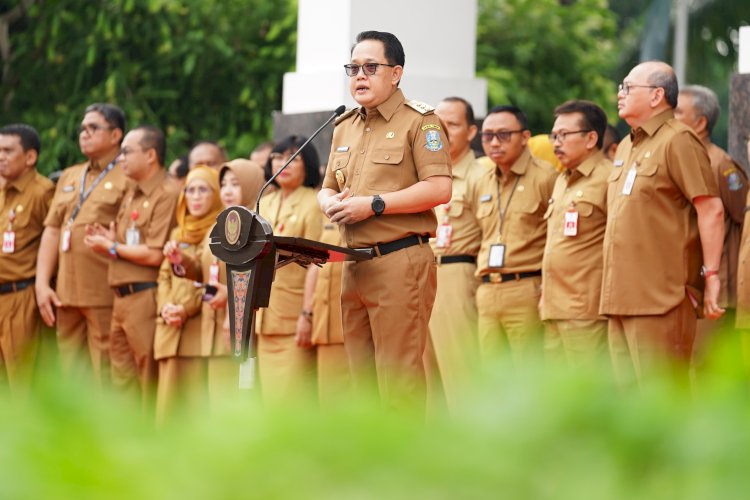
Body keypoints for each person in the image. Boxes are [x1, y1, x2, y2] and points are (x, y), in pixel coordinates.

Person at [317, 30, 452, 412]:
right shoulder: (344, 126)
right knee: (361, 381)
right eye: (353, 68)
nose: (359, 75)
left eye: (370, 67)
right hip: (354, 263)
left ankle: (405, 468)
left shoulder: (420, 123)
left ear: (395, 73)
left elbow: (440, 188)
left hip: (400, 261)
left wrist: (374, 205)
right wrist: (328, 203)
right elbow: (326, 187)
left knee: (398, 380)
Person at [600, 61, 724, 385]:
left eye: (628, 88)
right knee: (629, 409)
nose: (620, 94)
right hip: (619, 297)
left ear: (657, 95)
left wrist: (711, 276)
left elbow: (711, 209)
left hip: (661, 299)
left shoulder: (679, 139)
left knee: (662, 401)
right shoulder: (627, 144)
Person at [84, 125, 179, 408]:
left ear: (151, 155)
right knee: (122, 382)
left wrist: (111, 248)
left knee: (147, 378)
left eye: (126, 151)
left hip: (146, 296)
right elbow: (131, 244)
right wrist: (111, 240)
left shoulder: (167, 193)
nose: (120, 158)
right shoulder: (132, 194)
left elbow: (154, 254)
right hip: (120, 299)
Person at [36, 103, 129, 386]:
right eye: (82, 129)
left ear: (115, 135)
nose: (84, 134)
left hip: (103, 291)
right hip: (65, 293)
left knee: (104, 373)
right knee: (70, 374)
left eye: (93, 128)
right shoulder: (70, 174)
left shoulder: (127, 175)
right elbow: (52, 231)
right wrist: (42, 284)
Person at [164, 159, 265, 410]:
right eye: (223, 184)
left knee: (238, 406)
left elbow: (263, 277)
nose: (227, 190)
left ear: (252, 187)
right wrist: (181, 261)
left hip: (241, 329)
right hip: (214, 330)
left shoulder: (259, 229)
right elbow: (201, 271)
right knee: (215, 407)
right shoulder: (218, 227)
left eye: (235, 184)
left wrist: (232, 299)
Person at [469, 105, 557, 366]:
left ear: (525, 136)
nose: (494, 142)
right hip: (487, 289)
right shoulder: (482, 180)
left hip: (526, 288)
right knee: (491, 376)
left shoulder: (546, 177)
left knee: (528, 374)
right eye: (487, 136)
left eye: (504, 134)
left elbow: (555, 236)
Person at [540, 100, 611, 367]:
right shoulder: (562, 179)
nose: (556, 143)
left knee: (588, 395)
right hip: (553, 308)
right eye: (554, 136)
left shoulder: (609, 178)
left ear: (591, 138)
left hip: (587, 310)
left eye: (564, 135)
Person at [255, 135, 322, 407]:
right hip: (264, 317)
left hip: (295, 315)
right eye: (278, 157)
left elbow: (319, 264)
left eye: (293, 158)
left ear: (308, 165)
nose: (284, 163)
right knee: (269, 401)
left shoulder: (315, 203)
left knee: (292, 401)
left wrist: (308, 314)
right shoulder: (264, 202)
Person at [675, 85, 747, 337]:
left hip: (716, 287)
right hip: (684, 283)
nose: (669, 119)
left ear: (700, 122)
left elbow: (742, 217)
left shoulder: (720, 165)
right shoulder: (678, 158)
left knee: (703, 366)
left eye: (677, 112)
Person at [427, 96, 484, 412]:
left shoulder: (481, 175)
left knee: (459, 373)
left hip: (456, 275)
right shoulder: (424, 177)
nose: (443, 131)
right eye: (438, 124)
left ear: (471, 132)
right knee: (421, 379)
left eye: (453, 124)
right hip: (420, 276)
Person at [154, 166, 222, 423]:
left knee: (194, 412)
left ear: (215, 194)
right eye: (190, 190)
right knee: (167, 411)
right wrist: (165, 307)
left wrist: (186, 309)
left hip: (196, 329)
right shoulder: (177, 233)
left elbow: (208, 277)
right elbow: (163, 276)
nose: (195, 196)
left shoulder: (220, 231)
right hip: (169, 328)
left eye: (203, 190)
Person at [0, 124, 54, 394]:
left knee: (23, 383)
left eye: (8, 150)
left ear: (30, 157)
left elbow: (52, 241)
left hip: (21, 296)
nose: (1, 156)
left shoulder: (42, 191)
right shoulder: (1, 190)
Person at [300, 221, 352, 410]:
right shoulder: (327, 207)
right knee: (328, 404)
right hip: (326, 322)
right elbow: (316, 264)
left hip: (355, 319)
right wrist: (307, 313)